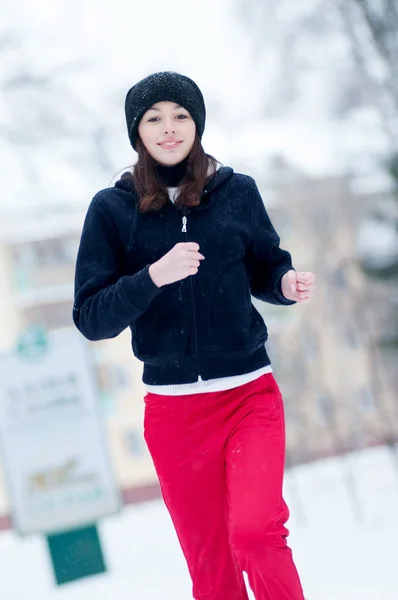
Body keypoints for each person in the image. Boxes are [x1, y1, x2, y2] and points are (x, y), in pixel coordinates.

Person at [73, 71, 315, 600]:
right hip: (174, 415)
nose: (169, 128)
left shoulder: (237, 192)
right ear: (136, 131)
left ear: (197, 124)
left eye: (181, 115)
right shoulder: (112, 210)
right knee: (214, 576)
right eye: (154, 118)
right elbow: (91, 317)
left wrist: (284, 283)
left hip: (248, 396)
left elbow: (264, 267)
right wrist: (153, 277)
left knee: (254, 536)